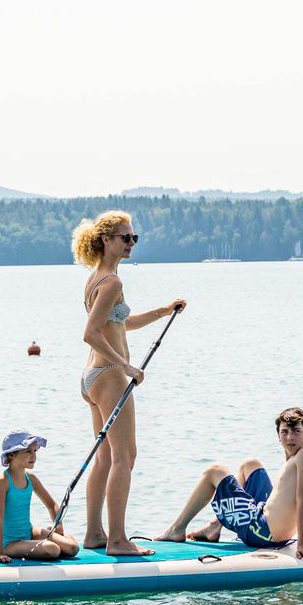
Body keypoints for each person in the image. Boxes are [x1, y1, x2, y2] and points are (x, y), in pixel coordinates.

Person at [74, 210, 186, 557]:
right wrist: (127, 367)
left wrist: (164, 310)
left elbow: (120, 323)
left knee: (105, 459)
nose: (131, 243)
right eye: (126, 238)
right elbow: (90, 333)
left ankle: (94, 534)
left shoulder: (98, 278)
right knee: (125, 456)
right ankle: (118, 540)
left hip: (91, 379)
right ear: (106, 240)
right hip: (108, 376)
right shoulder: (112, 282)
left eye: (134, 237)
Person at [158, 407, 303, 566]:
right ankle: (215, 525)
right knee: (251, 464)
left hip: (262, 532)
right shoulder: (296, 461)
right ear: (278, 436)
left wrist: (302, 546)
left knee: (214, 471)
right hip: (264, 521)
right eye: (285, 431)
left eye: (296, 431)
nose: (290, 437)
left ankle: (177, 529)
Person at [0, 431, 80, 563]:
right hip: (10, 543)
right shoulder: (2, 481)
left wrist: (58, 526)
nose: (33, 456)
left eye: (35, 451)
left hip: (30, 533)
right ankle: (44, 539)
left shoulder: (30, 478)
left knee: (73, 549)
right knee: (53, 550)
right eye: (28, 451)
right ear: (12, 455)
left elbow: (51, 505)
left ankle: (52, 532)